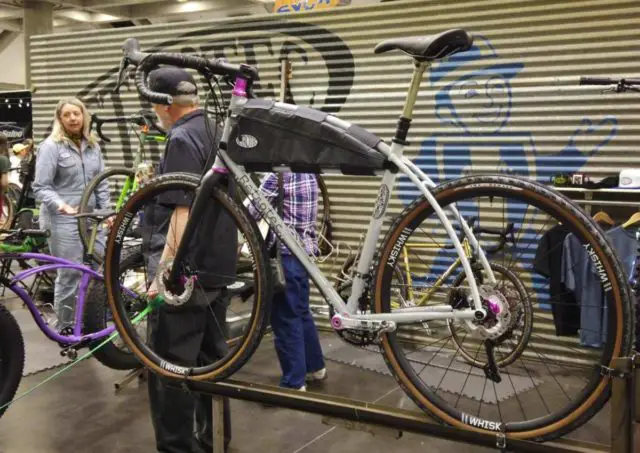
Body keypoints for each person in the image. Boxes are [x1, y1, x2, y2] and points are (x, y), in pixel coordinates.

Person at [143, 66, 235, 453]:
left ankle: (178, 447)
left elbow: (181, 212)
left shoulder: (181, 138)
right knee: (213, 363)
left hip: (188, 276)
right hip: (218, 268)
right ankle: (214, 441)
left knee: (168, 369)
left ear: (165, 105)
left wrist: (165, 275)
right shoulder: (215, 129)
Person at [32, 98, 110, 330]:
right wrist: (61, 205)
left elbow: (101, 184)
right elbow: (41, 187)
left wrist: (107, 212)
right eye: (67, 115)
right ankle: (66, 327)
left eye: (77, 113)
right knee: (70, 274)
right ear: (60, 119)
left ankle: (94, 322)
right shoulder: (51, 147)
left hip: (92, 217)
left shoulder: (93, 146)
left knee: (99, 269)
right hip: (63, 220)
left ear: (84, 116)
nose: (73, 118)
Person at [248, 172, 326, 391]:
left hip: (284, 257)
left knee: (285, 318)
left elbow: (251, 211)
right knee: (302, 313)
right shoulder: (309, 173)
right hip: (304, 255)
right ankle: (315, 367)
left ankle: (293, 382)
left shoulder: (278, 176)